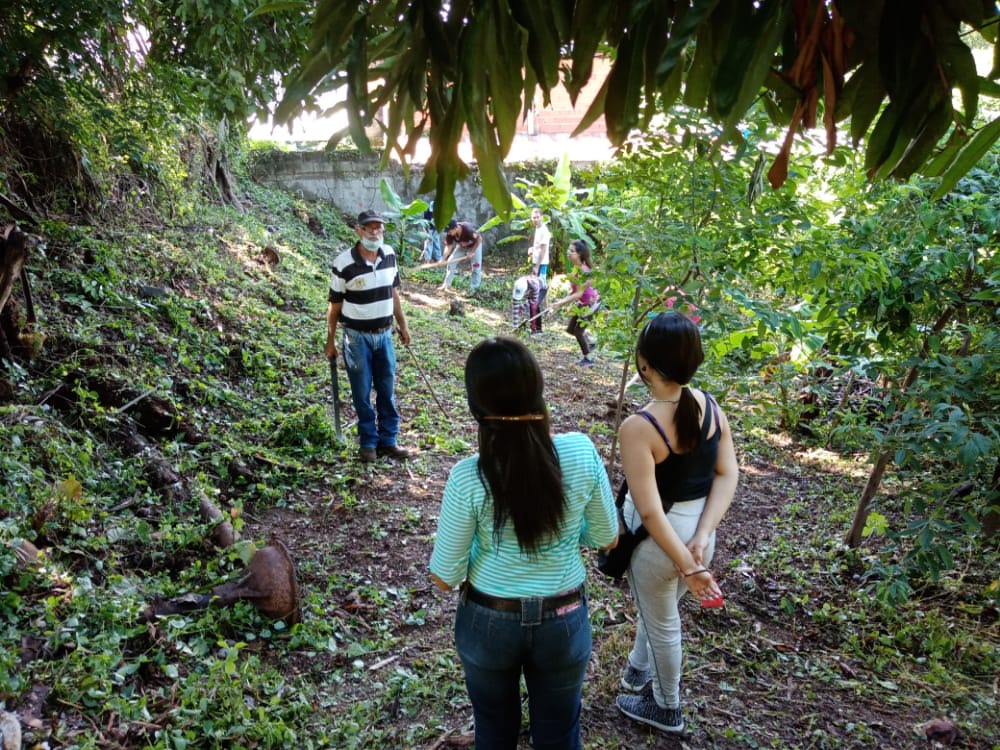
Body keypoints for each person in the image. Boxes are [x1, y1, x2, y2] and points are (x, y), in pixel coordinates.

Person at [429, 337, 619, 750]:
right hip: (565, 617)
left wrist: (488, 548)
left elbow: (445, 577)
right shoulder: (581, 452)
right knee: (560, 733)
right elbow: (607, 536)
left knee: (494, 732)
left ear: (477, 408)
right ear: (539, 389)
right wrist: (570, 534)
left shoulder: (468, 477)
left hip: (488, 621)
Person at [615, 311, 739, 734]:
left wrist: (687, 564)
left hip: (659, 546)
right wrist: (701, 540)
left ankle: (667, 705)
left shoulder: (639, 427)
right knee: (660, 611)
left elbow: (648, 511)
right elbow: (727, 473)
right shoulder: (711, 407)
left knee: (663, 622)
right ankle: (637, 668)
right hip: (701, 536)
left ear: (644, 364)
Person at [324, 209, 414, 463]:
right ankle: (368, 442)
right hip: (356, 337)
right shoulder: (344, 263)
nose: (374, 233)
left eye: (378, 228)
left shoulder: (389, 255)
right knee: (361, 391)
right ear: (358, 231)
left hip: (384, 334)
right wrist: (330, 341)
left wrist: (403, 326)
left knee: (387, 388)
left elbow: (394, 293)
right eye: (369, 228)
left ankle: (389, 440)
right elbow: (335, 305)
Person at [551, 239, 600, 367]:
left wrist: (560, 304)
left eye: (572, 251)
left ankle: (588, 359)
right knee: (570, 329)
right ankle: (590, 340)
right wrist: (561, 302)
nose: (568, 253)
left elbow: (578, 294)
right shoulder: (576, 269)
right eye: (569, 250)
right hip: (583, 304)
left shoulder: (583, 270)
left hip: (590, 305)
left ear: (579, 254)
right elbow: (574, 291)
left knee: (578, 332)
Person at [441, 220, 484, 292]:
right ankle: (446, 285)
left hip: (475, 246)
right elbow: (448, 247)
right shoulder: (450, 234)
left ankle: (474, 289)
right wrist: (443, 259)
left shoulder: (467, 229)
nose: (448, 233)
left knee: (476, 267)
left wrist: (472, 252)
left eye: (450, 231)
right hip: (462, 246)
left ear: (456, 228)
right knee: (450, 262)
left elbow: (479, 239)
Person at [527, 207, 551, 310]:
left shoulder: (544, 230)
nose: (535, 219)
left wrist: (537, 266)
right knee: (540, 284)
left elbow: (544, 250)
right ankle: (544, 307)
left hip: (541, 263)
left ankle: (542, 307)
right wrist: (532, 249)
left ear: (542, 217)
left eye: (537, 217)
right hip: (536, 261)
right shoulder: (537, 228)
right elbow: (538, 246)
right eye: (533, 217)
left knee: (542, 286)